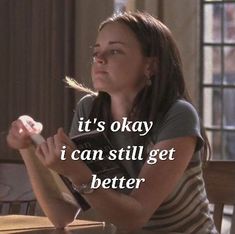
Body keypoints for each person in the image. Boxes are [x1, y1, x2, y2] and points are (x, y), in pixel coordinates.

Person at [7, 12, 218, 233]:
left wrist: (77, 172)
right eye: (96, 51)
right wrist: (28, 147)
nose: (99, 58)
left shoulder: (177, 115)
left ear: (151, 66)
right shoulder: (89, 110)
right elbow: (62, 214)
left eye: (115, 51)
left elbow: (135, 217)